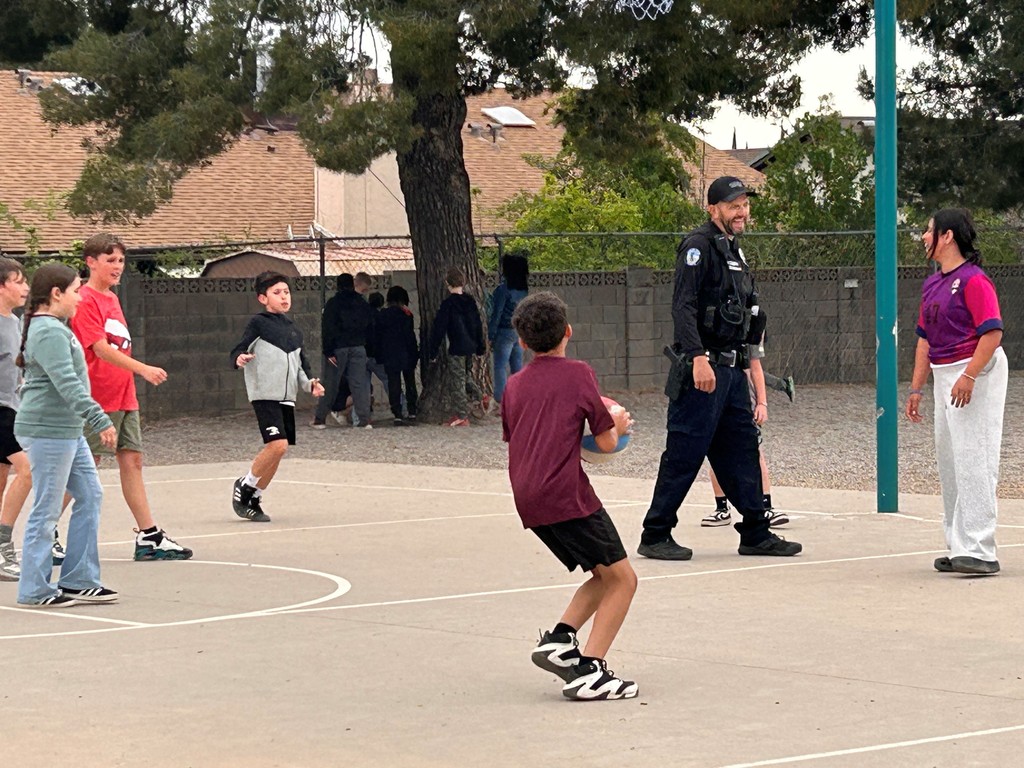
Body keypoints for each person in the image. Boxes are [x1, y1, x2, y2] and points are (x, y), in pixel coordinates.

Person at [638, 176, 802, 560]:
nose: (741, 212)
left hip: (730, 370)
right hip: (703, 370)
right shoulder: (698, 247)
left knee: (742, 450)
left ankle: (756, 533)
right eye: (733, 206)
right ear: (713, 209)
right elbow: (683, 305)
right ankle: (655, 533)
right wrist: (697, 357)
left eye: (744, 204)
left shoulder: (733, 249)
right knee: (684, 452)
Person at [502, 291, 638, 701]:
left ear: (521, 342)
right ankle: (590, 672)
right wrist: (618, 424)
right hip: (565, 494)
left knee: (603, 574)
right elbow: (605, 442)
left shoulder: (513, 385)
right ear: (568, 332)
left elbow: (529, 435)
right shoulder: (579, 374)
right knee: (624, 580)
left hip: (528, 497)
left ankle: (560, 641)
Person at [71, 233, 193, 561]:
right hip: (99, 396)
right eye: (110, 260)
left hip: (124, 394)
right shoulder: (84, 300)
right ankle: (46, 530)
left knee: (132, 460)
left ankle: (149, 536)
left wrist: (132, 378)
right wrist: (143, 369)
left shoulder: (112, 298)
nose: (117, 266)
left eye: (121, 260)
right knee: (85, 464)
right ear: (91, 262)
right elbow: (100, 349)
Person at [906, 208, 1006, 575]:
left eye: (929, 230)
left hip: (975, 370)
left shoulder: (974, 280)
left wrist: (970, 375)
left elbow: (992, 333)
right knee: (950, 461)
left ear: (947, 236)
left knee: (974, 456)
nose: (924, 236)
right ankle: (959, 544)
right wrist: (916, 388)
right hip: (945, 373)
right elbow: (924, 340)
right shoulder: (933, 284)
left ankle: (981, 549)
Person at [14, 263, 118, 607]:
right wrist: (99, 418)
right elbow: (67, 382)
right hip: (47, 431)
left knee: (90, 494)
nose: (80, 297)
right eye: (75, 291)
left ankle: (78, 579)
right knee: (46, 508)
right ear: (56, 294)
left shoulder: (56, 327)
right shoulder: (48, 331)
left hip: (67, 430)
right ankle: (34, 588)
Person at [231, 272, 325, 522]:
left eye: (286, 292)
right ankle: (245, 484)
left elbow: (302, 365)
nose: (284, 297)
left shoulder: (294, 330)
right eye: (277, 293)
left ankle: (255, 497)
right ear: (263, 298)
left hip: (287, 398)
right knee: (278, 445)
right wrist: (239, 358)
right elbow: (239, 349)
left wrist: (310, 384)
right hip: (265, 395)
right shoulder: (258, 324)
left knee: (279, 451)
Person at [704, 339, 788, 528]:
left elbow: (756, 367)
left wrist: (761, 403)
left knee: (755, 451)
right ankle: (721, 508)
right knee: (716, 451)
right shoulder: (708, 334)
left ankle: (765, 505)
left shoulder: (747, 333)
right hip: (715, 397)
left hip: (743, 401)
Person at [0, 259, 31, 580]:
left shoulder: (16, 322)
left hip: (13, 409)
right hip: (0, 412)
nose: (25, 288)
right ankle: (3, 547)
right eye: (18, 281)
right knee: (28, 470)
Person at [312, 273, 375, 429]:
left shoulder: (333, 303)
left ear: (337, 285)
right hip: (358, 347)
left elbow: (328, 328)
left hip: (338, 348)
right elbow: (370, 325)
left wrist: (328, 351)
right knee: (359, 384)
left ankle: (320, 419)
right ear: (352, 284)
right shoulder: (362, 303)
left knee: (330, 384)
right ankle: (364, 420)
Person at [428, 267, 486, 427]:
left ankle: (461, 415)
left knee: (457, 380)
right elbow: (477, 325)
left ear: (448, 283)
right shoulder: (470, 301)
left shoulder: (448, 304)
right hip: (471, 345)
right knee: (465, 375)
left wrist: (433, 352)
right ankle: (481, 397)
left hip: (457, 345)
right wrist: (480, 347)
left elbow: (439, 329)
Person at [488, 251, 529, 412]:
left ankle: (502, 400)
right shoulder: (523, 291)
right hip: (518, 331)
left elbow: (496, 314)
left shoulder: (502, 290)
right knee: (517, 367)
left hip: (503, 331)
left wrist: (490, 335)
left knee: (500, 366)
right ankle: (519, 400)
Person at [375, 285, 419, 426]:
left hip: (390, 353)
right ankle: (412, 410)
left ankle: (397, 413)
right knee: (410, 381)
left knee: (394, 383)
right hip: (406, 352)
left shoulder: (383, 315)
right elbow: (410, 335)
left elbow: (379, 336)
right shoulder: (407, 315)